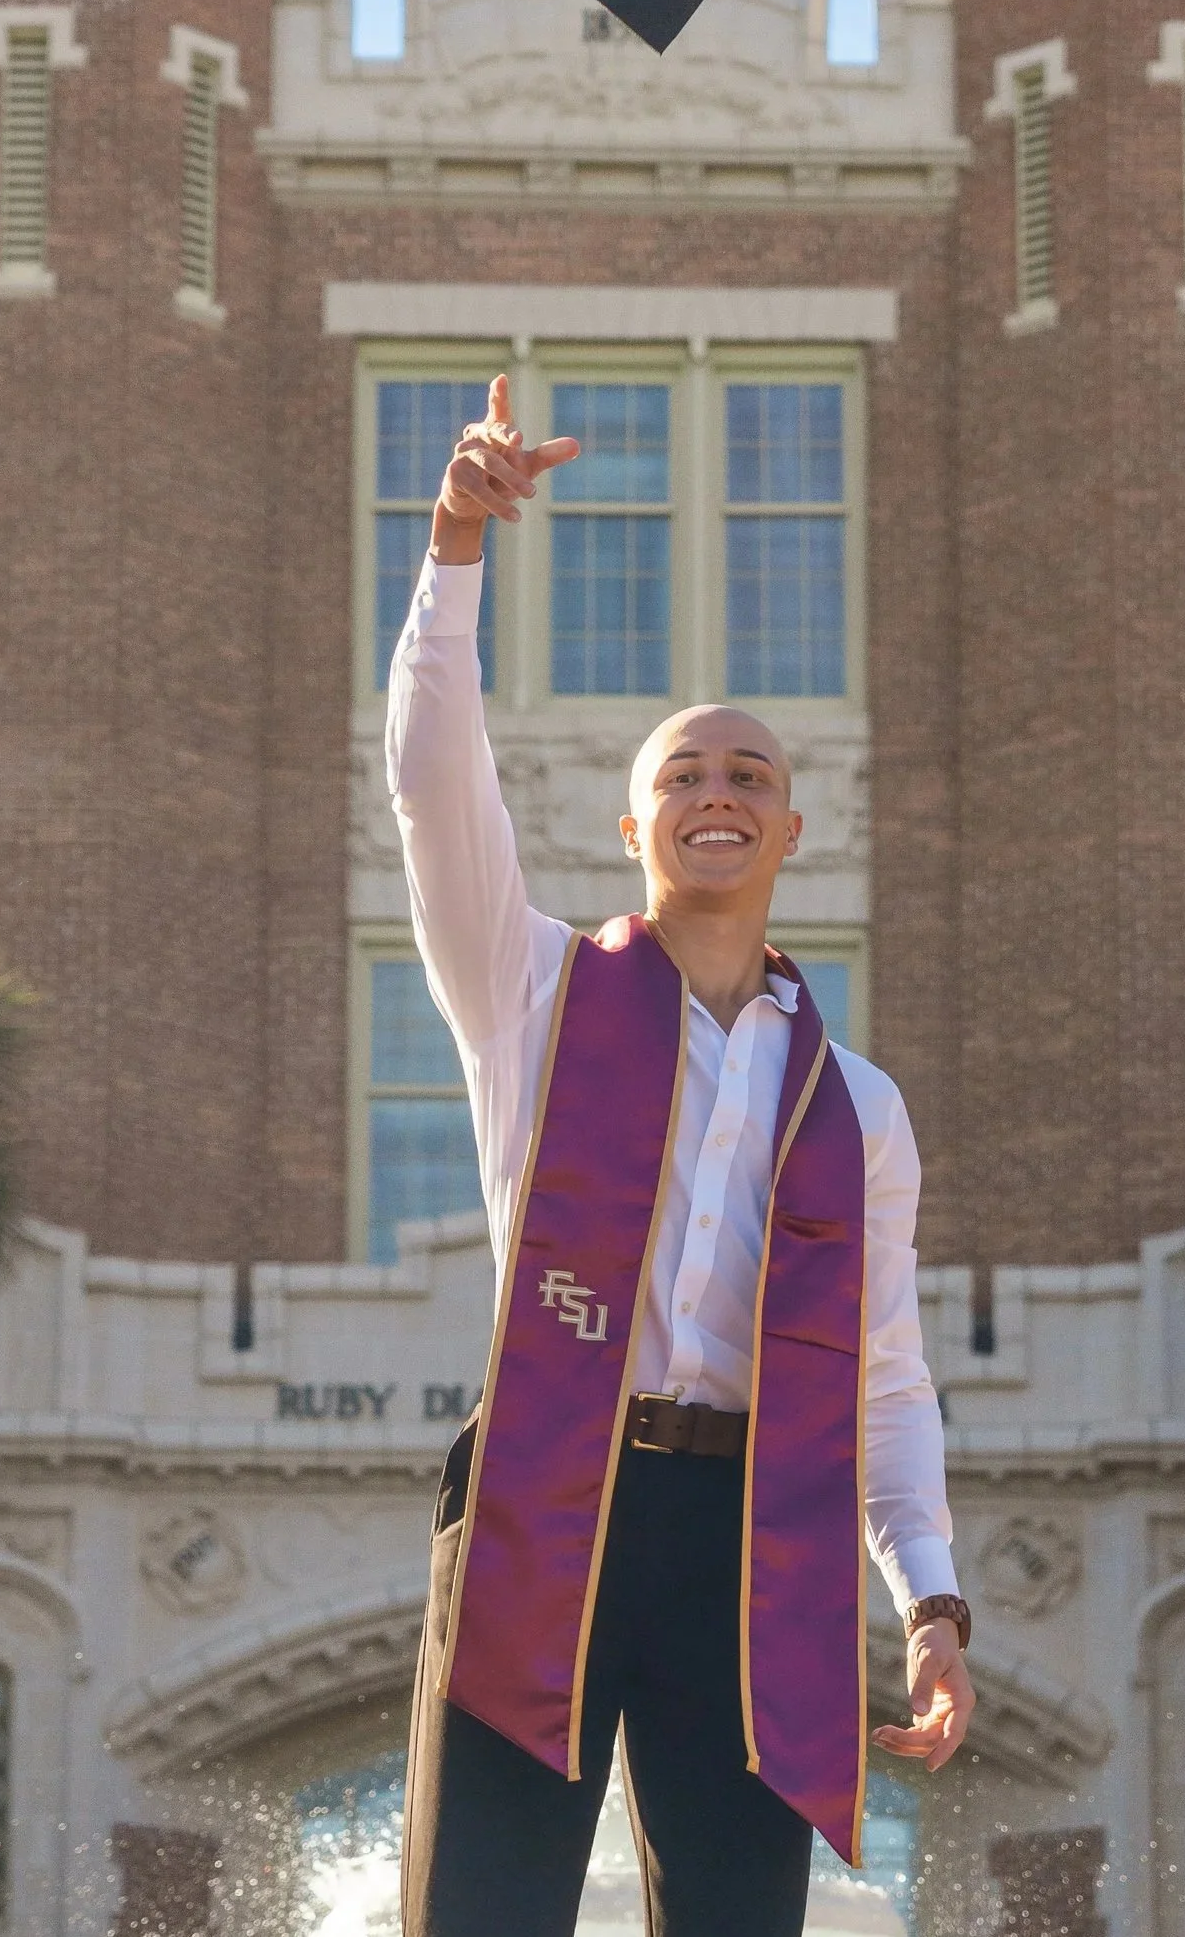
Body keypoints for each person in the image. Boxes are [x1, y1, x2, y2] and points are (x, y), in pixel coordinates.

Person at [389, 376, 974, 1937]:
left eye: (750, 779)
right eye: (684, 779)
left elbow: (888, 1382)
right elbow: (433, 780)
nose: (717, 795)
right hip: (545, 1500)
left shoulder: (859, 1111)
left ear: (793, 835)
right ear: (634, 829)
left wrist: (929, 1601)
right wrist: (454, 547)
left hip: (752, 1546)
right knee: (482, 1920)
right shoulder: (534, 1001)